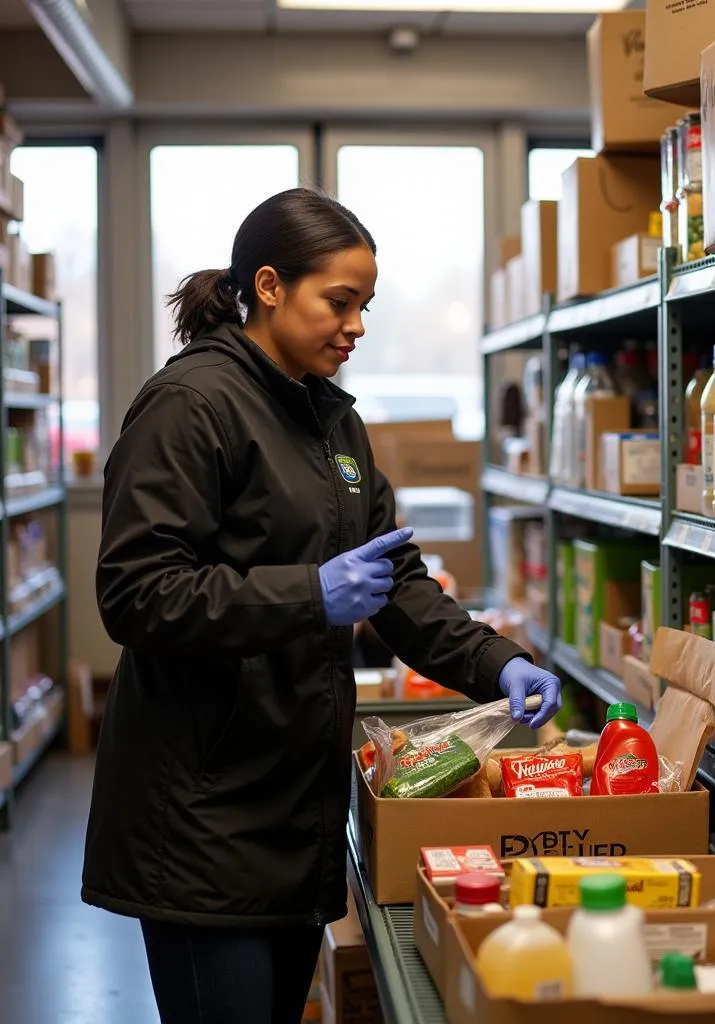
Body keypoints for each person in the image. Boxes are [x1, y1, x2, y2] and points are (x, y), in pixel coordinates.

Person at [81, 187, 562, 1024]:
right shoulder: (192, 406)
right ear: (269, 286)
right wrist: (311, 593)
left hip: (295, 804)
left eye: (365, 305)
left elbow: (399, 582)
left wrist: (499, 660)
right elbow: (136, 593)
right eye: (339, 302)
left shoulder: (332, 422)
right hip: (203, 812)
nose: (358, 326)